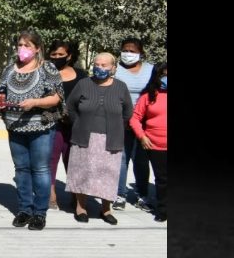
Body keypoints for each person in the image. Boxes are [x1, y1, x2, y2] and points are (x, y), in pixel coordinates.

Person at [0, 29, 64, 231]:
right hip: (15, 127)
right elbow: (1, 89)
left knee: (41, 169)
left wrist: (35, 102)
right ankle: (25, 209)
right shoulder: (10, 68)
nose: (22, 49)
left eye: (27, 46)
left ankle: (40, 213)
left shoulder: (47, 68)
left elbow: (56, 97)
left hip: (40, 127)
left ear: (37, 49)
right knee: (21, 169)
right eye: (20, 45)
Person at [64, 53, 134, 225]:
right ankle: (81, 207)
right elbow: (71, 107)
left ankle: (106, 209)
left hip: (111, 138)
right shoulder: (83, 84)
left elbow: (127, 112)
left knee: (108, 175)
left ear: (113, 68)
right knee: (82, 172)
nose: (100, 67)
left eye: (104, 65)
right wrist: (78, 123)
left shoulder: (121, 87)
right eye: (97, 64)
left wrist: (116, 127)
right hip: (84, 136)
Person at [46, 40, 88, 211]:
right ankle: (51, 195)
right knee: (51, 160)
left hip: (76, 125)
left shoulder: (81, 75)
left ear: (69, 56)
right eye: (53, 55)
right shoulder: (45, 73)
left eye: (60, 55)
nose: (56, 58)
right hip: (52, 123)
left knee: (74, 161)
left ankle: (75, 196)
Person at [113, 37, 155, 209]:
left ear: (141, 53)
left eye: (132, 51)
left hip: (145, 123)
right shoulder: (115, 69)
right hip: (121, 121)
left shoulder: (151, 69)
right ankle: (119, 195)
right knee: (121, 159)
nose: (128, 54)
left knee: (141, 160)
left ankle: (142, 195)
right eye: (125, 50)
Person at [129, 62, 167, 222]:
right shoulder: (148, 96)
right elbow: (135, 118)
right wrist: (142, 136)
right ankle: (163, 211)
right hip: (155, 144)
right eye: (163, 75)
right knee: (162, 179)